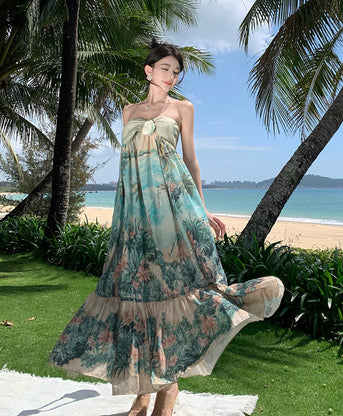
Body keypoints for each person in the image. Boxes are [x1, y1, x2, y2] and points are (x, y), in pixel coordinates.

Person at [49, 39, 284, 416]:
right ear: (149, 70)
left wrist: (203, 211)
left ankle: (166, 391)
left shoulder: (183, 109)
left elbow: (190, 161)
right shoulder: (128, 112)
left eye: (176, 72)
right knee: (137, 298)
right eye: (165, 69)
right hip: (134, 215)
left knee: (171, 291)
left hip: (173, 210)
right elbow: (127, 169)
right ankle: (144, 393)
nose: (171, 76)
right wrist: (124, 218)